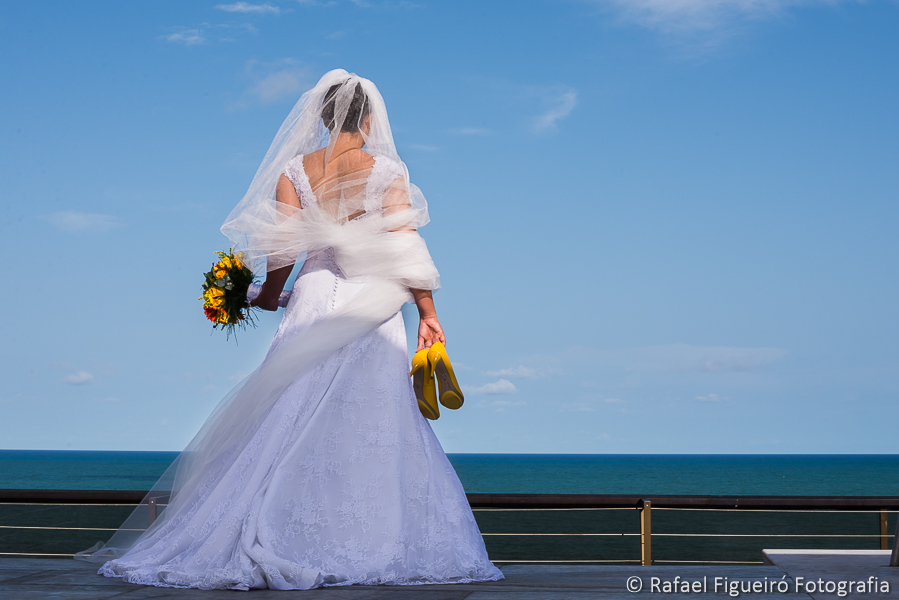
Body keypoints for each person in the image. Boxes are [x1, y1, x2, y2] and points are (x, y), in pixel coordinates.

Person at [75, 69, 504, 590]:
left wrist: (268, 295)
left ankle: (266, 523)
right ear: (369, 118)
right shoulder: (386, 172)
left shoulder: (295, 172)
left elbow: (283, 252)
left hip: (316, 298)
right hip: (375, 306)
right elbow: (405, 245)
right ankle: (377, 539)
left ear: (322, 117)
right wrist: (430, 314)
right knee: (378, 417)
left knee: (287, 413)